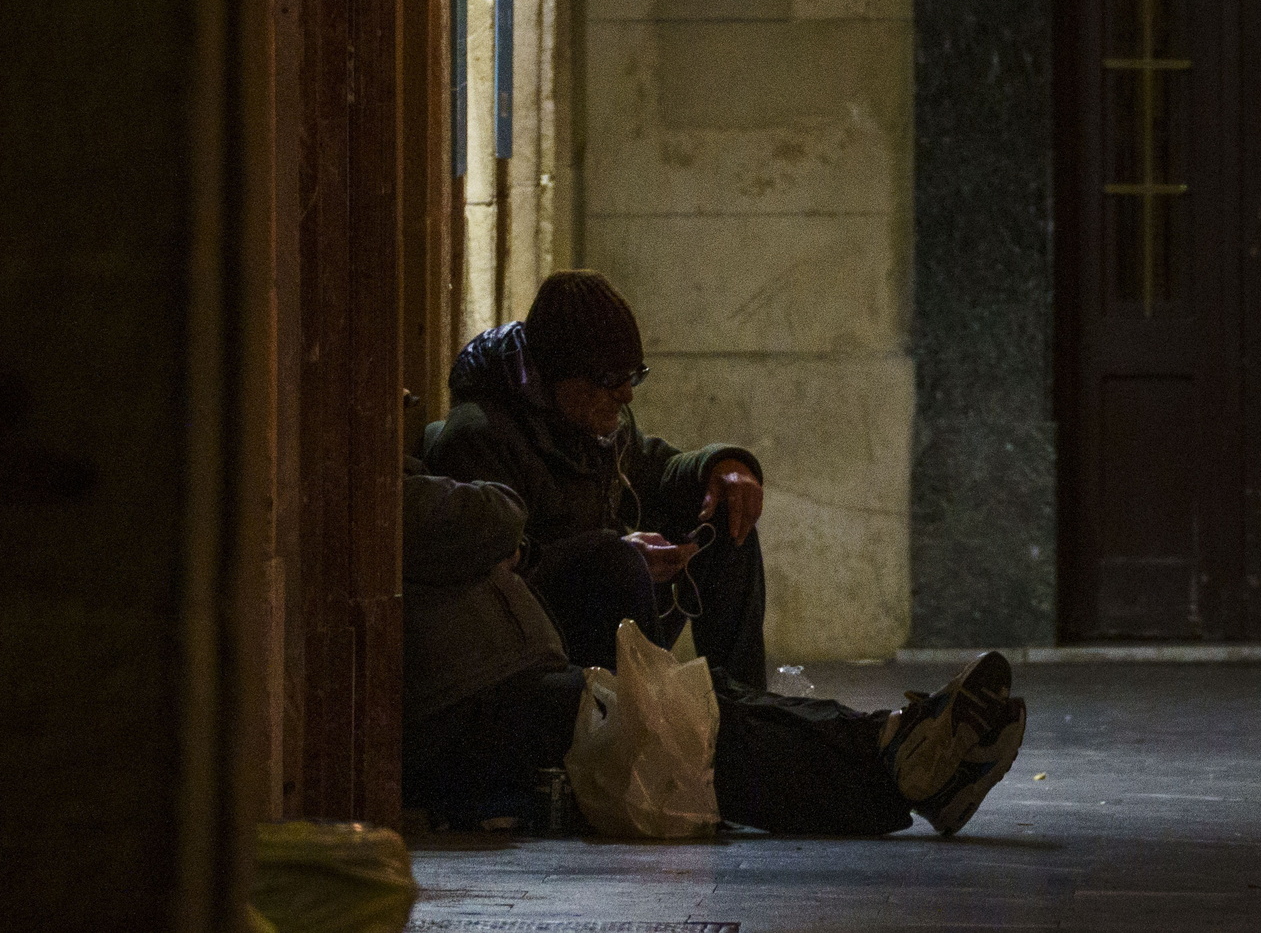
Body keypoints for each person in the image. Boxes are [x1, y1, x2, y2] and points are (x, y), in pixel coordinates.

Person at [403, 459, 1025, 836]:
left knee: (698, 709)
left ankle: (895, 747)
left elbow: (657, 463)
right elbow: (493, 514)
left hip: (511, 669)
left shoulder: (586, 431)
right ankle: (901, 762)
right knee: (680, 735)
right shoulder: (466, 438)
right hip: (469, 700)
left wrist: (725, 463)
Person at [424, 270, 773, 687]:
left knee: (725, 516)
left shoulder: (588, 414)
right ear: (559, 378)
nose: (626, 395)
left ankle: (741, 705)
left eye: (632, 376)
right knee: (612, 561)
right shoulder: (480, 438)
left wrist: (721, 467)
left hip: (609, 598)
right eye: (610, 381)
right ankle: (652, 710)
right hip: (539, 639)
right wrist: (615, 556)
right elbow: (499, 576)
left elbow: (653, 468)